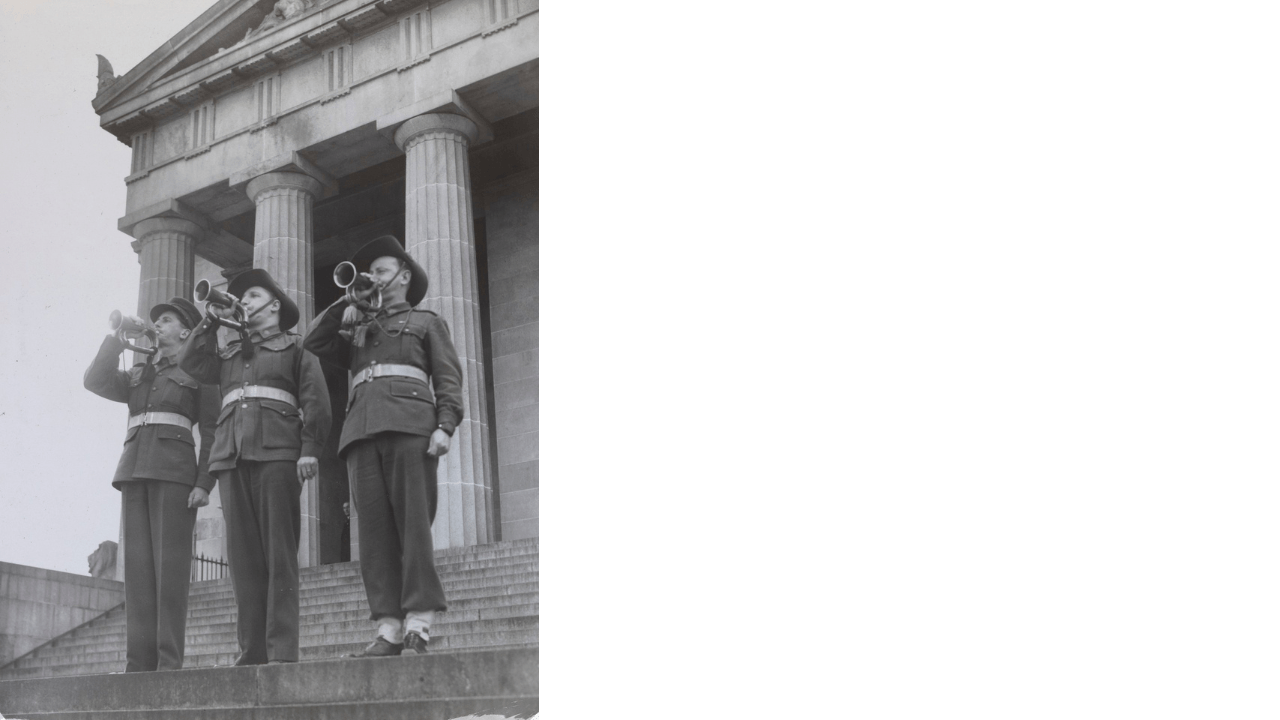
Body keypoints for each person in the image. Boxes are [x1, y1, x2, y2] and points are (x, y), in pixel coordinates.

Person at [304, 235, 464, 657]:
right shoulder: (357, 327)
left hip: (411, 426)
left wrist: (445, 425)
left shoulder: (427, 322)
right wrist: (346, 302)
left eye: (379, 270)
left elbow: (448, 379)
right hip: (361, 432)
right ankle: (388, 627)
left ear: (404, 276)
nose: (372, 277)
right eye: (368, 272)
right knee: (373, 535)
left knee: (413, 525)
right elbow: (314, 342)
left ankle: (419, 621)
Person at [177, 269, 331, 665]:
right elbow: (190, 361)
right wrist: (212, 319)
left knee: (279, 557)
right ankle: (252, 652)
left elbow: (317, 403)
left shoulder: (298, 349)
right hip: (233, 457)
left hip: (278, 455)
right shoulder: (229, 352)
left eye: (253, 295)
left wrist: (309, 449)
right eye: (240, 297)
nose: (243, 301)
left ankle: (281, 653)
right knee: (243, 562)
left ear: (275, 305)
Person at [83, 297, 217, 672]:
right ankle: (138, 664)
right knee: (138, 574)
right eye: (156, 321)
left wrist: (204, 481)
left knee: (169, 573)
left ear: (186, 331)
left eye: (167, 320)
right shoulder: (141, 372)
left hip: (175, 475)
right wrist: (117, 339)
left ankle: (168, 662)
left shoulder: (200, 372)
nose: (158, 325)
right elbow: (95, 380)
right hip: (133, 473)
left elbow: (212, 429)